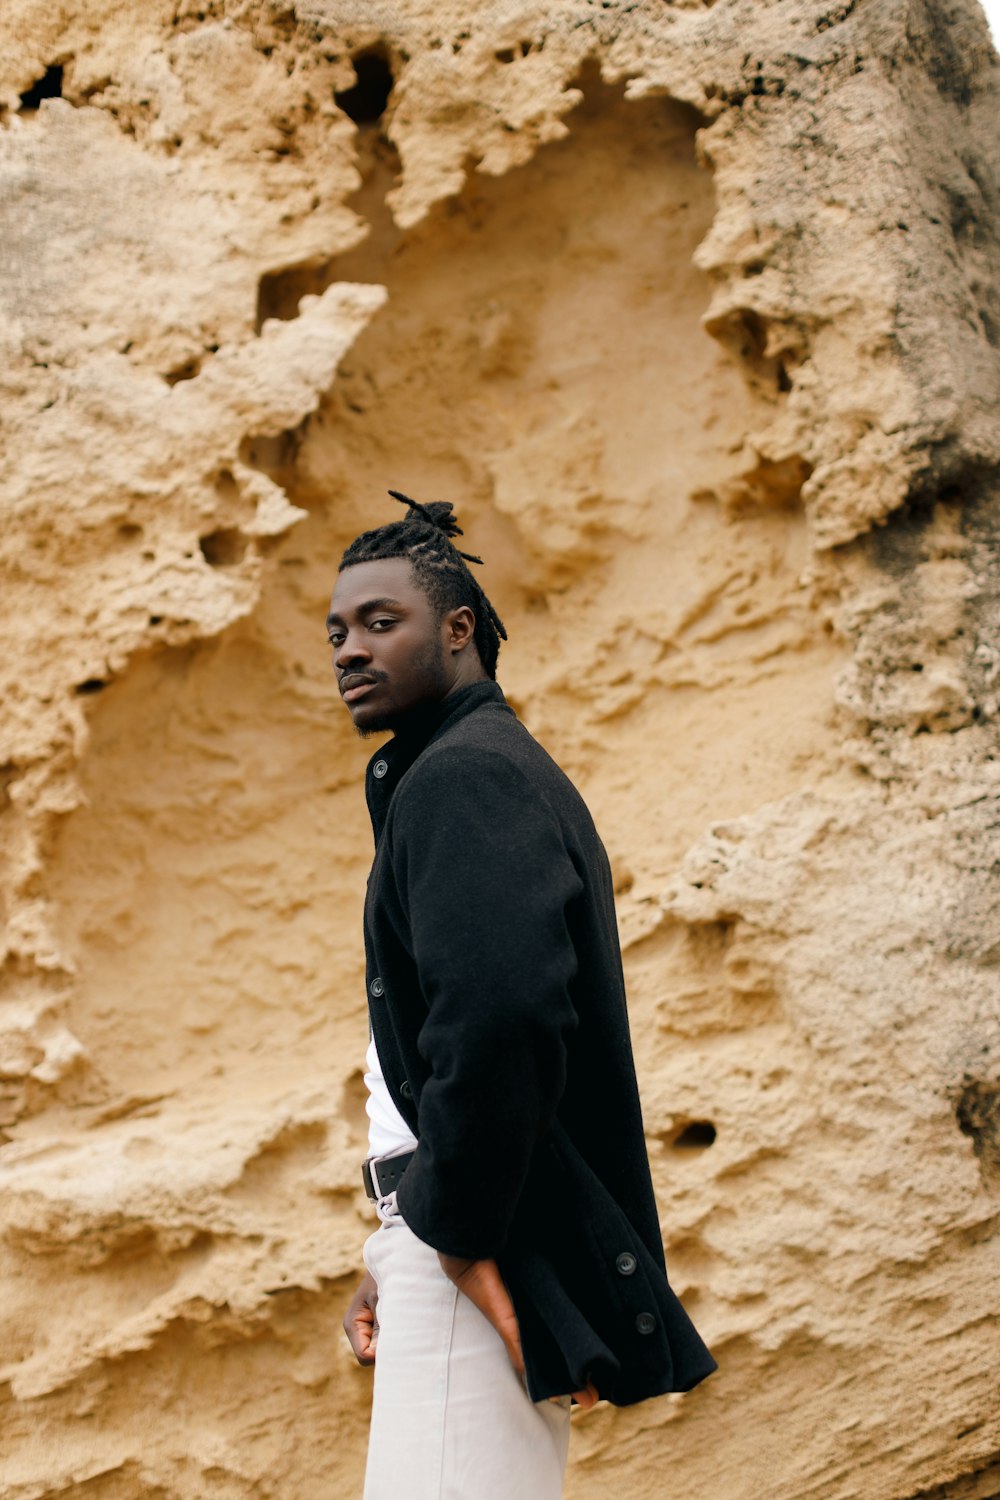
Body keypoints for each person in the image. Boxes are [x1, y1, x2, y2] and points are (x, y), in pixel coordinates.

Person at [331, 493, 716, 1500]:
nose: (348, 649)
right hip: (453, 1224)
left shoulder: (466, 780)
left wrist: (448, 1232)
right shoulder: (462, 772)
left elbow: (504, 1020)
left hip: (476, 1236)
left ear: (459, 630)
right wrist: (405, 1235)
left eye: (381, 621)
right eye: (336, 630)